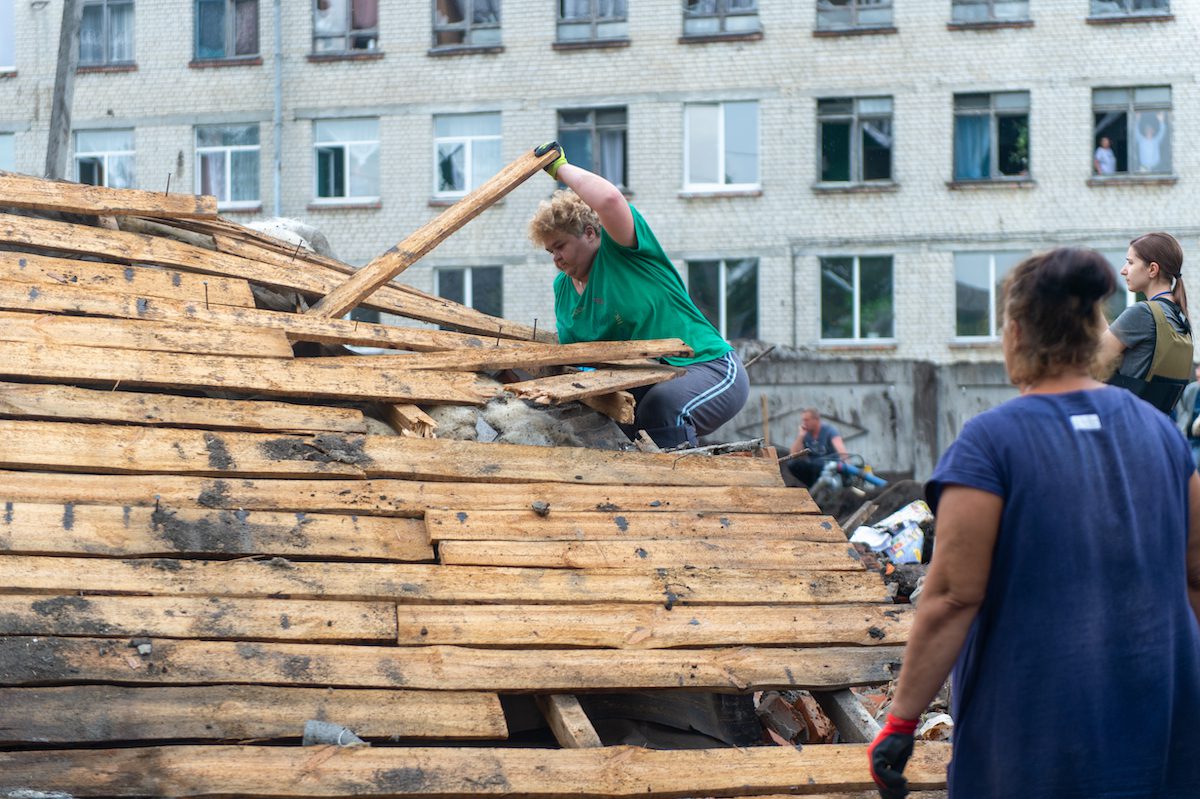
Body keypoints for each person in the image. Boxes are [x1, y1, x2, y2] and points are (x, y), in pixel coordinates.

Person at [867, 247, 1200, 799]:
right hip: (1158, 729)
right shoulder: (1163, 435)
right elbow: (1195, 576)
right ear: (1097, 332)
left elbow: (951, 595)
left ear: (1016, 332)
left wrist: (900, 723)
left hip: (1032, 737)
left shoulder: (990, 443)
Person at [527, 142, 749, 448]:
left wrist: (558, 167)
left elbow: (608, 199)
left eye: (561, 246)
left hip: (708, 367)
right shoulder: (563, 290)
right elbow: (578, 359)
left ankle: (677, 491)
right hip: (644, 384)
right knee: (607, 424)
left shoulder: (624, 251)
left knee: (663, 406)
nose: (556, 258)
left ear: (590, 233)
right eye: (550, 251)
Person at [1095, 231, 1193, 413]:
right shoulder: (1178, 318)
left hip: (1123, 420)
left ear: (1152, 269)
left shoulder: (1143, 312)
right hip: (1153, 424)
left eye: (1130, 262)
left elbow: (1094, 361)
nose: (1123, 270)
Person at [786, 408, 848, 487]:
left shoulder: (830, 431)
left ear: (816, 420)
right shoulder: (806, 434)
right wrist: (801, 435)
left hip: (829, 467)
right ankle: (813, 488)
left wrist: (847, 467)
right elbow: (793, 454)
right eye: (803, 420)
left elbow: (842, 450)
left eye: (806, 420)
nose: (804, 423)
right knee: (793, 464)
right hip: (814, 467)